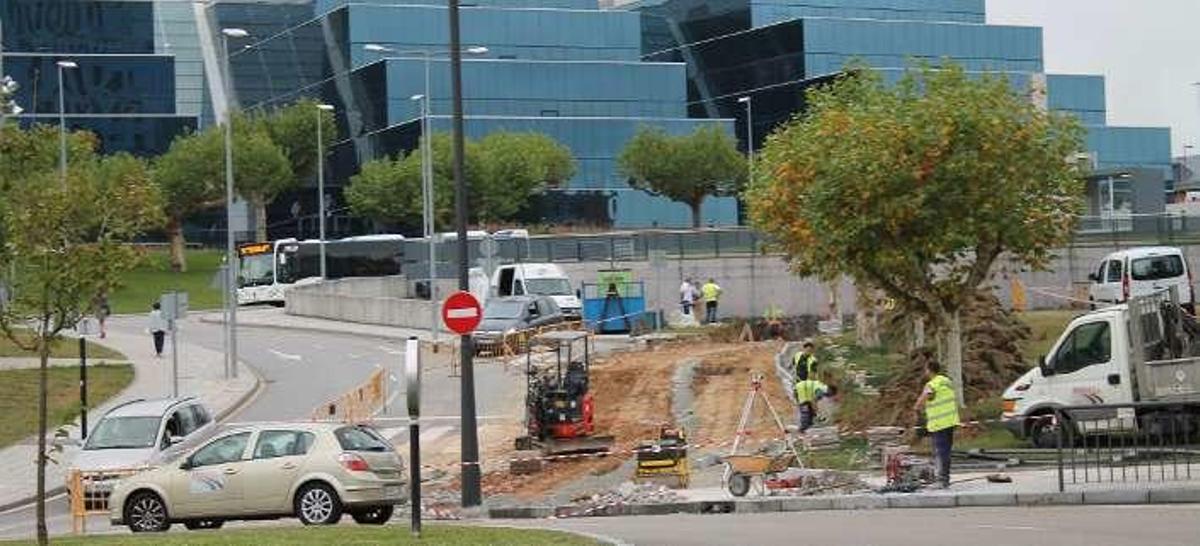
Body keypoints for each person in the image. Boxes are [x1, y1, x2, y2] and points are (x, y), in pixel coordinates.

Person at [912, 352, 960, 489]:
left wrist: (916, 408)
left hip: (939, 423)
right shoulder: (947, 381)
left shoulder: (932, 384)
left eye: (925, 370)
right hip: (950, 421)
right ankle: (945, 479)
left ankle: (941, 480)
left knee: (940, 452)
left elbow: (926, 396)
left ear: (928, 370)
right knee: (946, 451)